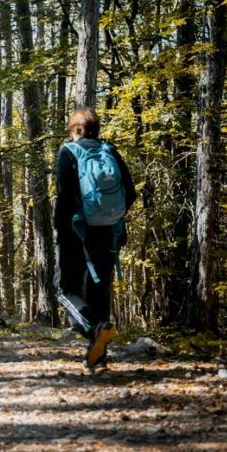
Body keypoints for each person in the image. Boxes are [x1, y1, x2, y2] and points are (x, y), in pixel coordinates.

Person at [54, 107, 137, 369]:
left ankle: (95, 328)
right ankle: (98, 357)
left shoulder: (68, 151)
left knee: (64, 289)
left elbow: (64, 196)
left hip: (76, 233)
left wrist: (61, 227)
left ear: (75, 130)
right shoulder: (109, 150)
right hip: (109, 231)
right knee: (99, 291)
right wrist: (111, 218)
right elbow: (131, 193)